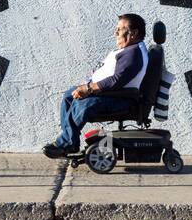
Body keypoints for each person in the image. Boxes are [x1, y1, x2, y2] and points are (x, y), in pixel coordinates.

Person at [43, 14, 148, 157]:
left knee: (81, 104)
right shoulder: (130, 49)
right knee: (69, 95)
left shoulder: (133, 53)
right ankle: (70, 141)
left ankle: (66, 143)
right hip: (109, 93)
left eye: (120, 29)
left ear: (134, 33)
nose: (115, 33)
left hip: (120, 99)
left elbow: (116, 80)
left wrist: (89, 89)